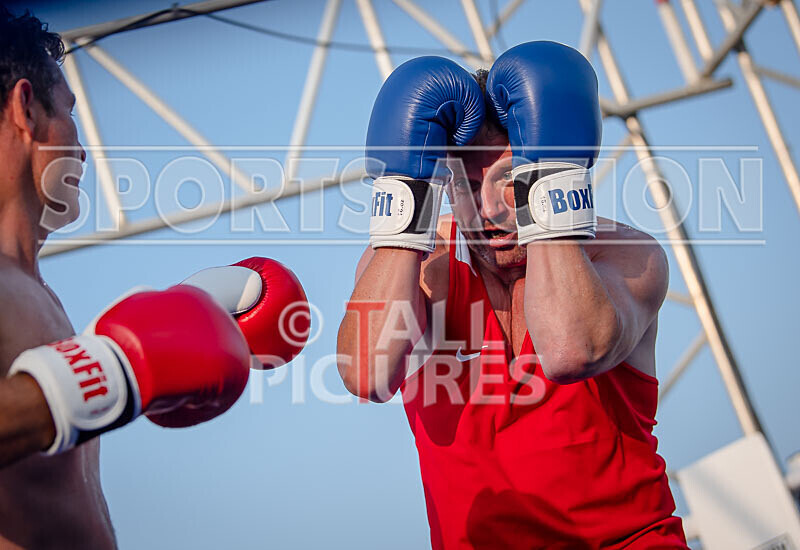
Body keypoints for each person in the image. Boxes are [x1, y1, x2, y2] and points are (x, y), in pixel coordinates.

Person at [338, 42, 688, 548]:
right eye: (467, 183)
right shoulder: (422, 262)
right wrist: (403, 192)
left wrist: (550, 186)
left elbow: (572, 348)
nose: (492, 208)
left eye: (512, 180)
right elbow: (366, 374)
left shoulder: (623, 254)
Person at [0, 8, 309, 548]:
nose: (83, 148)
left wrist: (173, 319)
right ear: (26, 108)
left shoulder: (39, 296)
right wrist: (112, 368)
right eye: (69, 113)